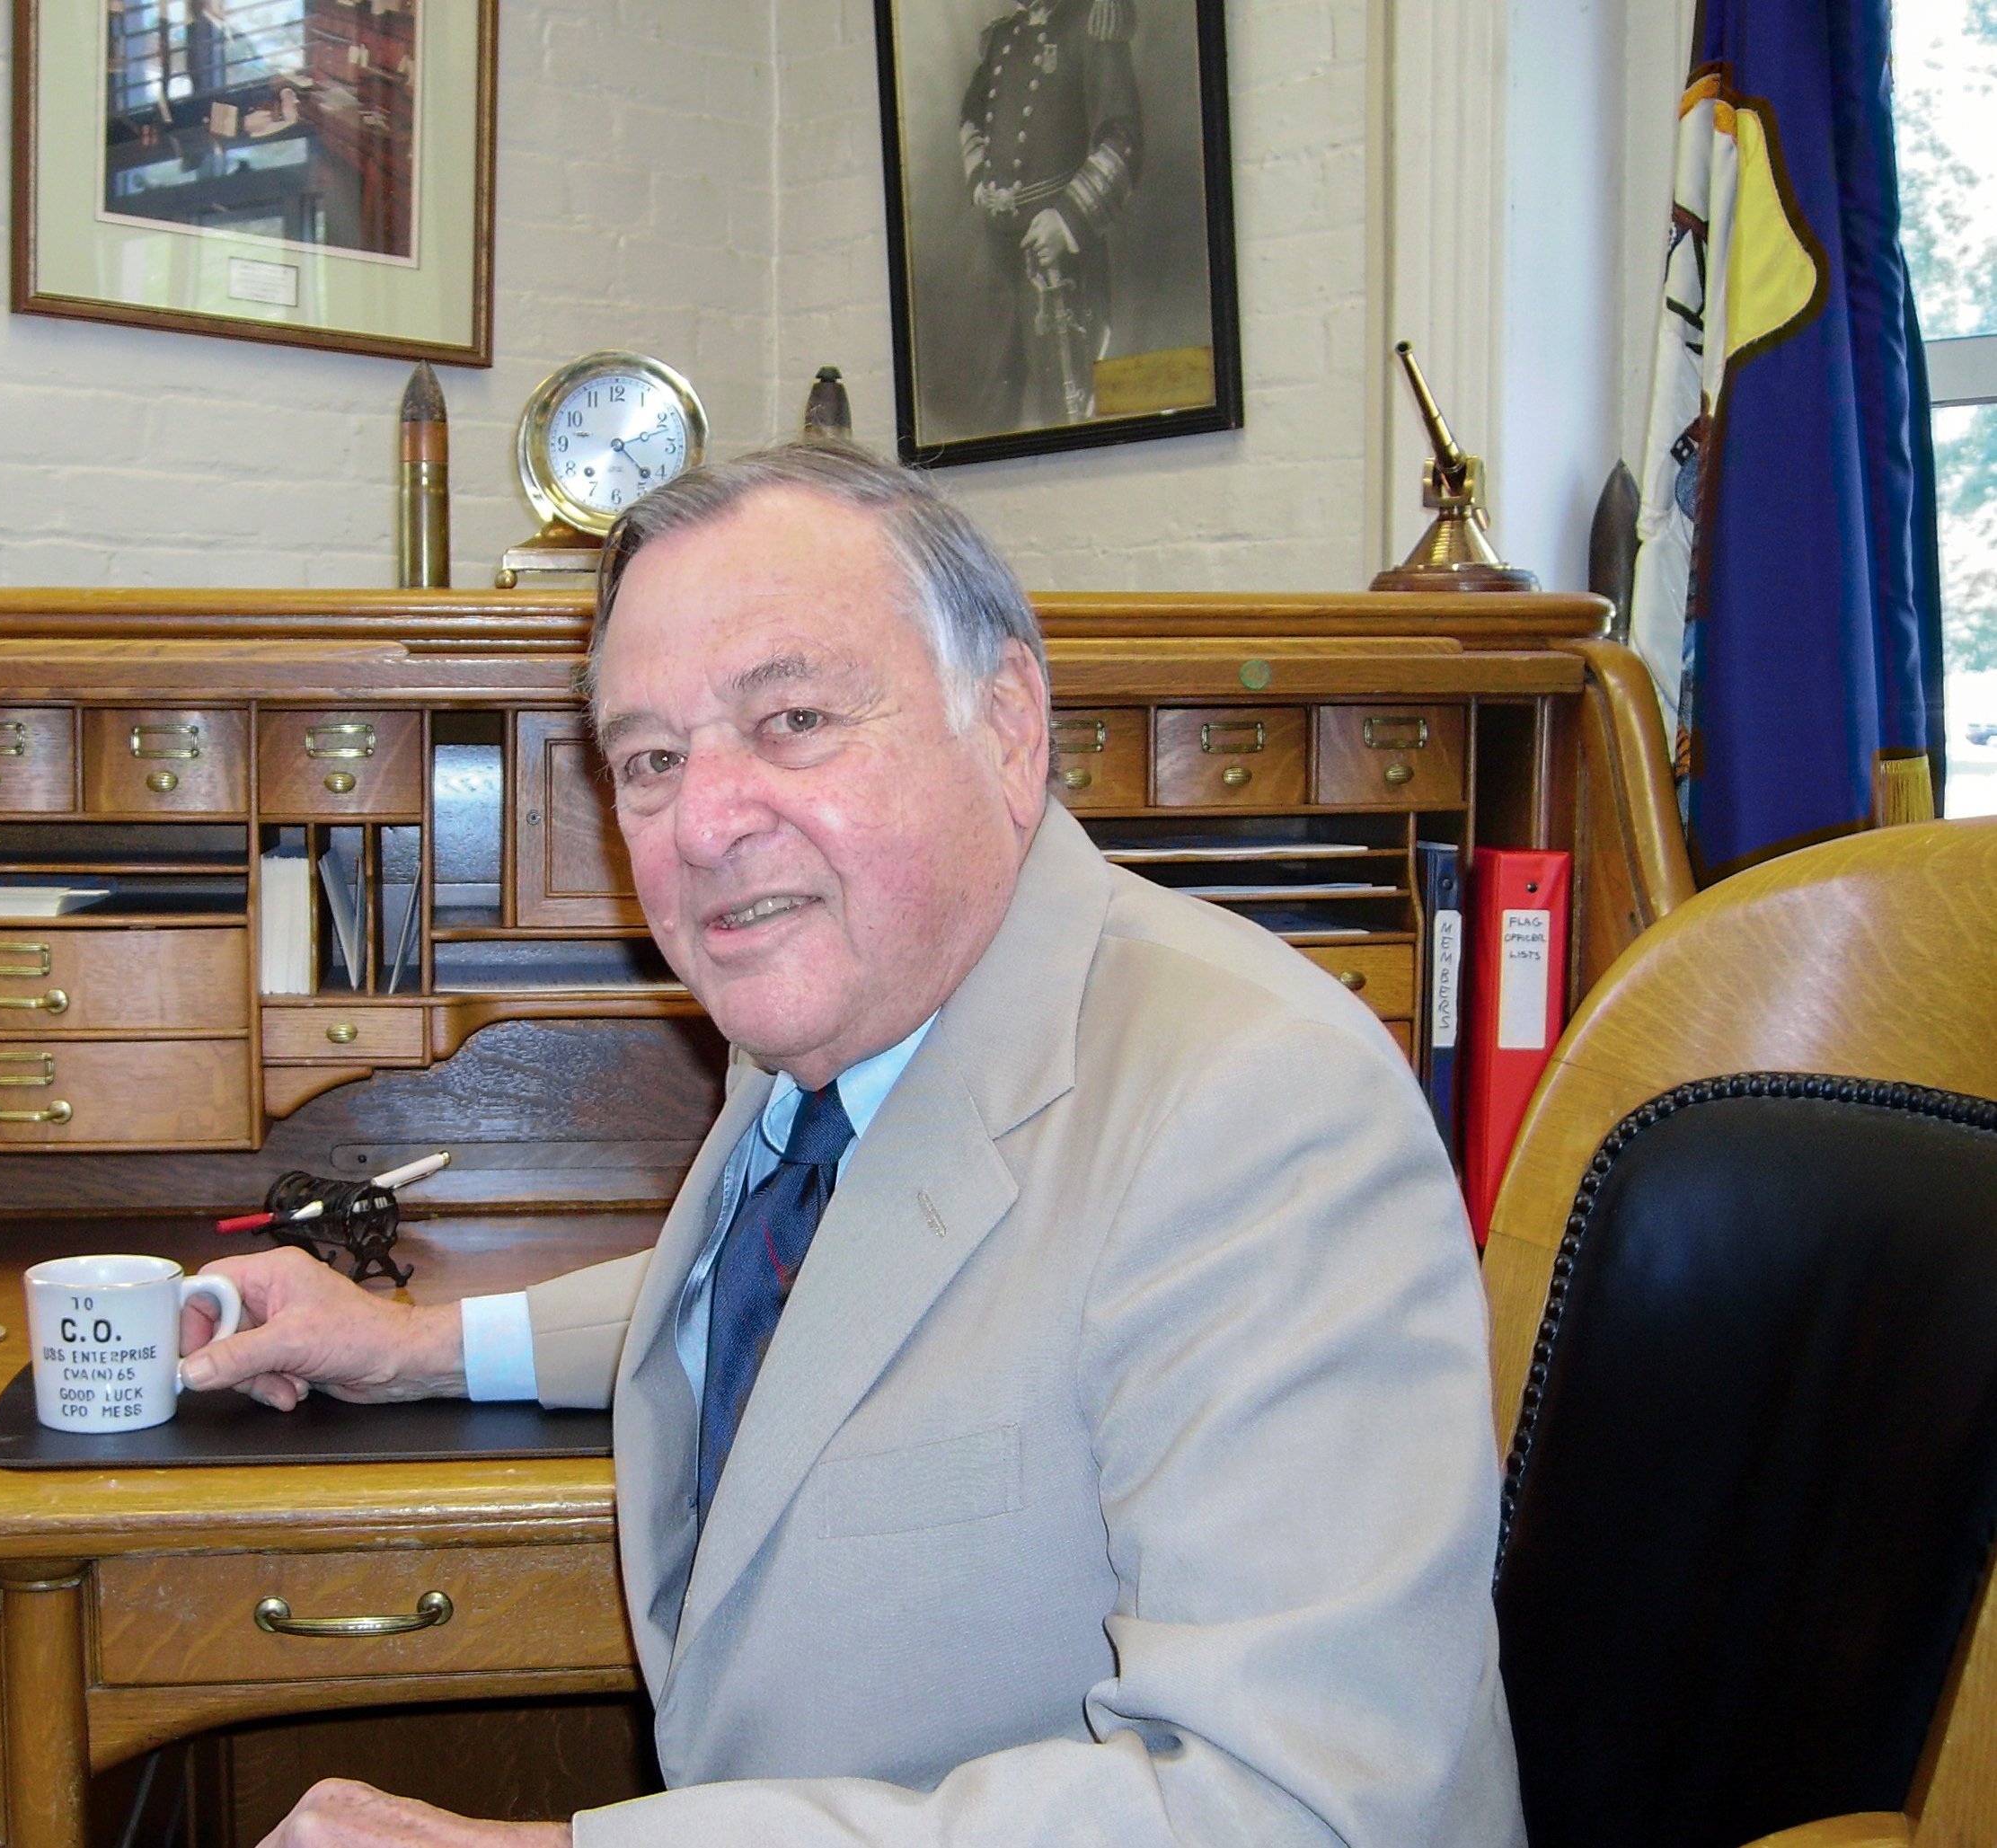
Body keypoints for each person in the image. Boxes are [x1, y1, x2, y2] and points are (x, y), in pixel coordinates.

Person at [182, 443, 1524, 1847]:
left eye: (793, 718)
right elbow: (832, 1301)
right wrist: (414, 1346)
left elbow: (1301, 1810)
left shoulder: (1257, 1103)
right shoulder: (828, 1028)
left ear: (1005, 725)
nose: (703, 822)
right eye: (649, 759)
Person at [957, 0, 1142, 427]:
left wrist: (1067, 219)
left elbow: (1122, 141)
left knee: (1069, 413)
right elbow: (971, 118)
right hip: (999, 260)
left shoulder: (1092, 21)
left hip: (1062, 258)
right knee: (995, 420)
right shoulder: (1002, 36)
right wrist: (981, 178)